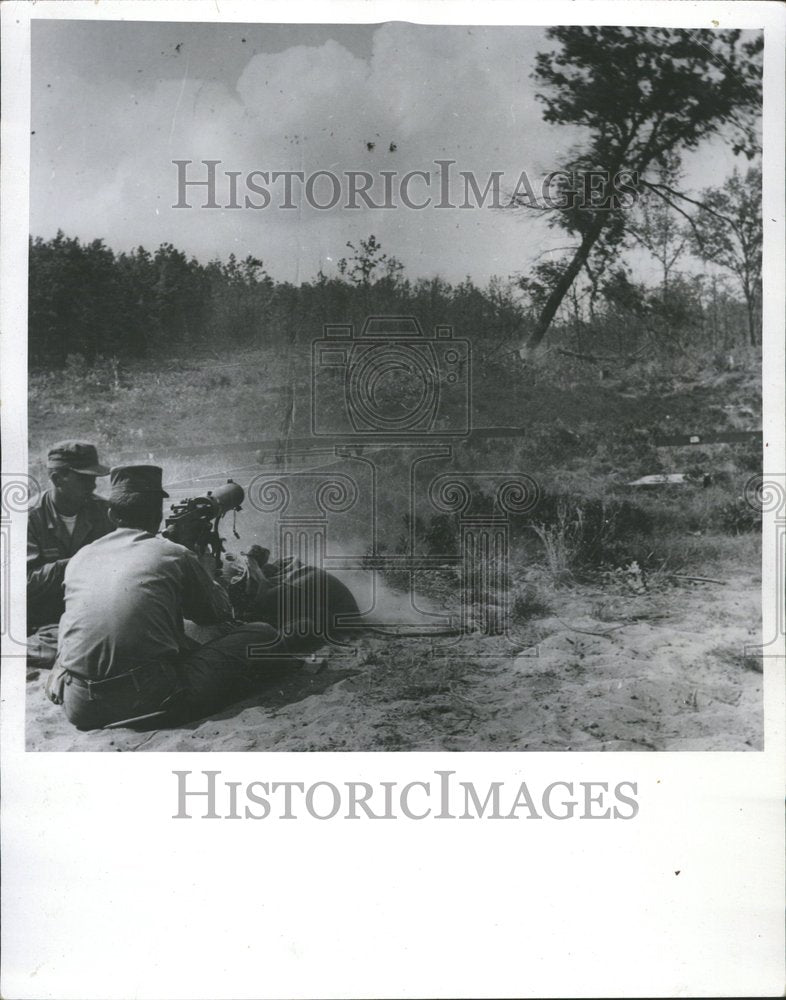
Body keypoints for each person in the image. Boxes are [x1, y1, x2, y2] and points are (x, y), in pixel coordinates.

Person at [45, 465, 318, 730]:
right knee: (261, 634)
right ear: (157, 514)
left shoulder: (81, 558)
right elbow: (216, 615)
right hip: (151, 700)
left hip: (80, 706)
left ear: (112, 515)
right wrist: (206, 570)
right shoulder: (172, 553)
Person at [27, 440, 114, 666]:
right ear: (57, 479)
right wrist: (81, 562)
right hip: (45, 620)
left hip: (90, 615)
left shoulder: (104, 512)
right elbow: (23, 584)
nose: (93, 486)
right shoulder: (28, 518)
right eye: (85, 479)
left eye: (94, 479)